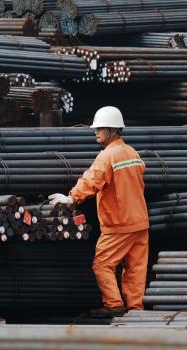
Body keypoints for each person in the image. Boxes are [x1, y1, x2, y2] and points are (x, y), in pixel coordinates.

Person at [48, 106, 149, 317]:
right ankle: (135, 309)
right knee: (135, 268)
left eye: (99, 128)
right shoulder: (132, 153)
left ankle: (113, 305)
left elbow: (92, 179)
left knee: (102, 264)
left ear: (112, 130)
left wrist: (72, 197)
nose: (95, 132)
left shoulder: (107, 156)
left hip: (118, 224)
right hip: (139, 221)